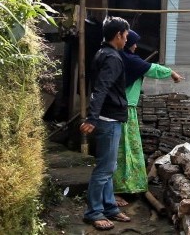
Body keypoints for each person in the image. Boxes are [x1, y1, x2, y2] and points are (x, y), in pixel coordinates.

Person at [112, 30, 184, 206]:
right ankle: (115, 191)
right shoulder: (127, 59)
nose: (136, 46)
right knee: (122, 151)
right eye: (133, 42)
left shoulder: (122, 58)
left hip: (127, 109)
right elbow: (153, 69)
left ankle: (126, 187)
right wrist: (172, 73)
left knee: (127, 150)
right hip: (123, 110)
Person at [80, 16, 131, 231]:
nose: (127, 40)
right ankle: (94, 212)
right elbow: (100, 89)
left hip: (108, 118)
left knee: (109, 167)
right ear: (118, 35)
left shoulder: (102, 53)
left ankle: (109, 207)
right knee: (104, 168)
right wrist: (92, 117)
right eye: (126, 36)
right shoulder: (112, 58)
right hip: (108, 119)